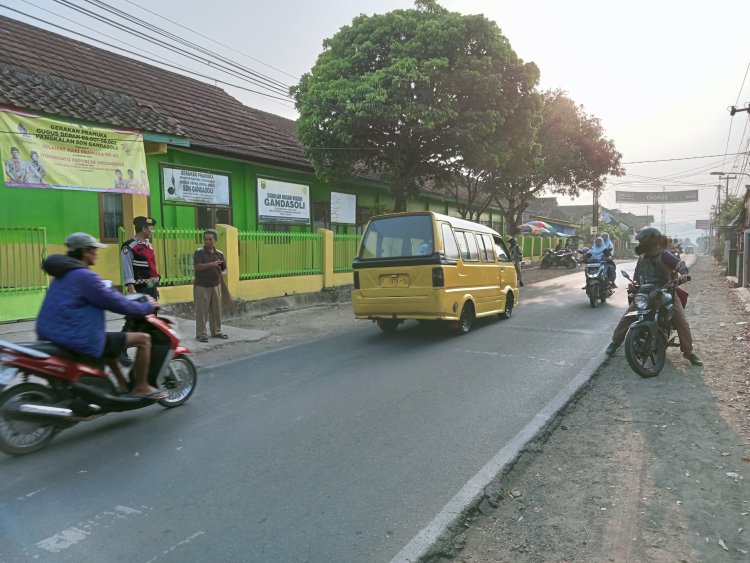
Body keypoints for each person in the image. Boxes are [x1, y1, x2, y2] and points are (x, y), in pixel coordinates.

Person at [36, 232, 165, 398]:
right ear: (85, 251)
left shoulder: (62, 275)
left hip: (56, 335)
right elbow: (116, 303)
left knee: (108, 342)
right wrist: (146, 307)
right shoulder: (85, 276)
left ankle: (122, 384)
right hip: (77, 338)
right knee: (144, 340)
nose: (97, 253)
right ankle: (141, 387)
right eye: (94, 249)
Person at [604, 227, 702, 366]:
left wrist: (684, 273)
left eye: (643, 241)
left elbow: (680, 265)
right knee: (627, 317)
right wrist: (634, 284)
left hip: (665, 291)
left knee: (681, 321)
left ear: (651, 242)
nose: (640, 244)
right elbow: (637, 275)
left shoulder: (665, 255)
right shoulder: (642, 258)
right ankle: (615, 343)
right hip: (645, 293)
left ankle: (689, 352)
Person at [119, 216, 160, 366]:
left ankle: (146, 353)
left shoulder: (148, 245)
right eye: (150, 228)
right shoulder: (129, 246)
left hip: (150, 288)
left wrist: (155, 282)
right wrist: (131, 289)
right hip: (139, 289)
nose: (152, 230)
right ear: (143, 229)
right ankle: (120, 349)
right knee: (134, 320)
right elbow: (127, 269)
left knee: (150, 321)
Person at [193, 229, 228, 342]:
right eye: (205, 239)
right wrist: (212, 264)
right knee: (202, 311)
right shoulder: (199, 252)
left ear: (215, 240)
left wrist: (223, 274)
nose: (207, 242)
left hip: (216, 285)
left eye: (210, 239)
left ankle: (216, 331)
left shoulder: (220, 254)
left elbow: (225, 269)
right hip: (202, 286)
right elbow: (197, 267)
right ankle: (201, 334)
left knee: (216, 310)